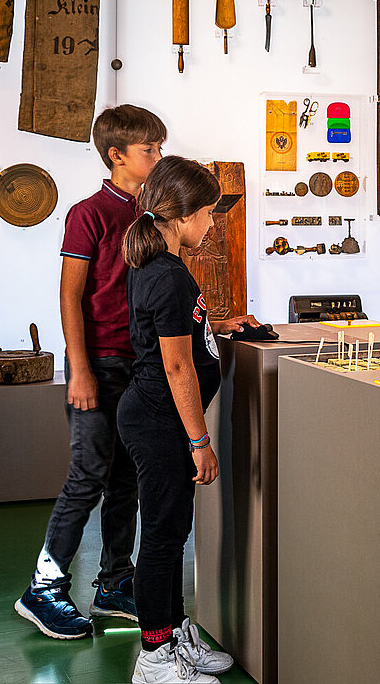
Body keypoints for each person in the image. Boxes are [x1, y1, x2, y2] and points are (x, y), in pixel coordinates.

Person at [16, 104, 167, 640]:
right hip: (97, 365)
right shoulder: (88, 213)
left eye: (159, 148)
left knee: (124, 481)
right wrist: (78, 370)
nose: (158, 157)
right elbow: (70, 294)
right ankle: (44, 590)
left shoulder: (151, 218)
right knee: (87, 478)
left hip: (139, 366)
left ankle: (113, 585)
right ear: (117, 155)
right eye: (151, 149)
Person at [118, 156, 256, 683]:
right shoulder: (168, 275)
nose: (213, 223)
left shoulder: (162, 268)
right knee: (159, 536)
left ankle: (176, 635)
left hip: (157, 417)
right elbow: (176, 366)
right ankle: (154, 657)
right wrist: (200, 440)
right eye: (207, 214)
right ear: (180, 216)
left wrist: (219, 322)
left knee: (172, 533)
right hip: (159, 422)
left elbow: (172, 333)